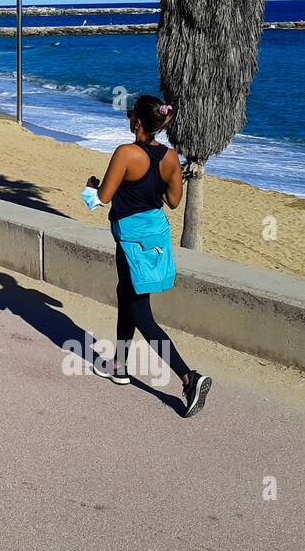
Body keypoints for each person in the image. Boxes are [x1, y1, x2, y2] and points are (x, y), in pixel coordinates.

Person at [84, 94, 211, 417]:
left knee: (140, 311)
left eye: (131, 117)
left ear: (138, 122)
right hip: (155, 234)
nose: (129, 121)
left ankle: (188, 377)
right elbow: (173, 201)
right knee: (127, 295)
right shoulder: (169, 157)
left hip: (130, 238)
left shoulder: (126, 153)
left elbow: (103, 197)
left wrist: (91, 186)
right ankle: (120, 366)